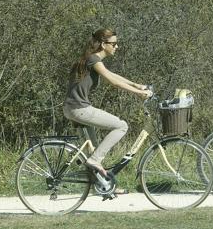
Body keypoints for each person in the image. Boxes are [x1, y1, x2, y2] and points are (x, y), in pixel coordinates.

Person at [63, 28, 152, 178]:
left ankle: (102, 185)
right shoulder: (93, 59)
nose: (117, 46)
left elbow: (112, 75)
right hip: (79, 108)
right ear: (104, 44)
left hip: (72, 108)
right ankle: (95, 161)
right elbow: (113, 82)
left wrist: (137, 85)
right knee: (121, 126)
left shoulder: (92, 59)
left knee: (93, 151)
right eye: (114, 43)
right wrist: (139, 93)